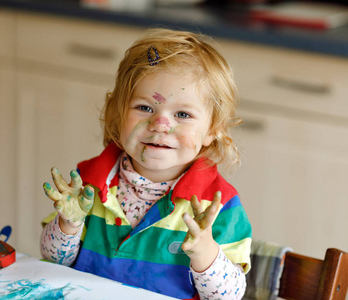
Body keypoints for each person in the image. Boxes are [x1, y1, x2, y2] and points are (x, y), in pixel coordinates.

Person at [40, 28, 252, 300]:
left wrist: (205, 252)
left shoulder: (217, 206)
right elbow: (52, 260)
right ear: (118, 113)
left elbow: (229, 296)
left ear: (213, 129)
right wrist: (67, 224)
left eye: (183, 114)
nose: (161, 124)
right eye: (145, 108)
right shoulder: (88, 183)